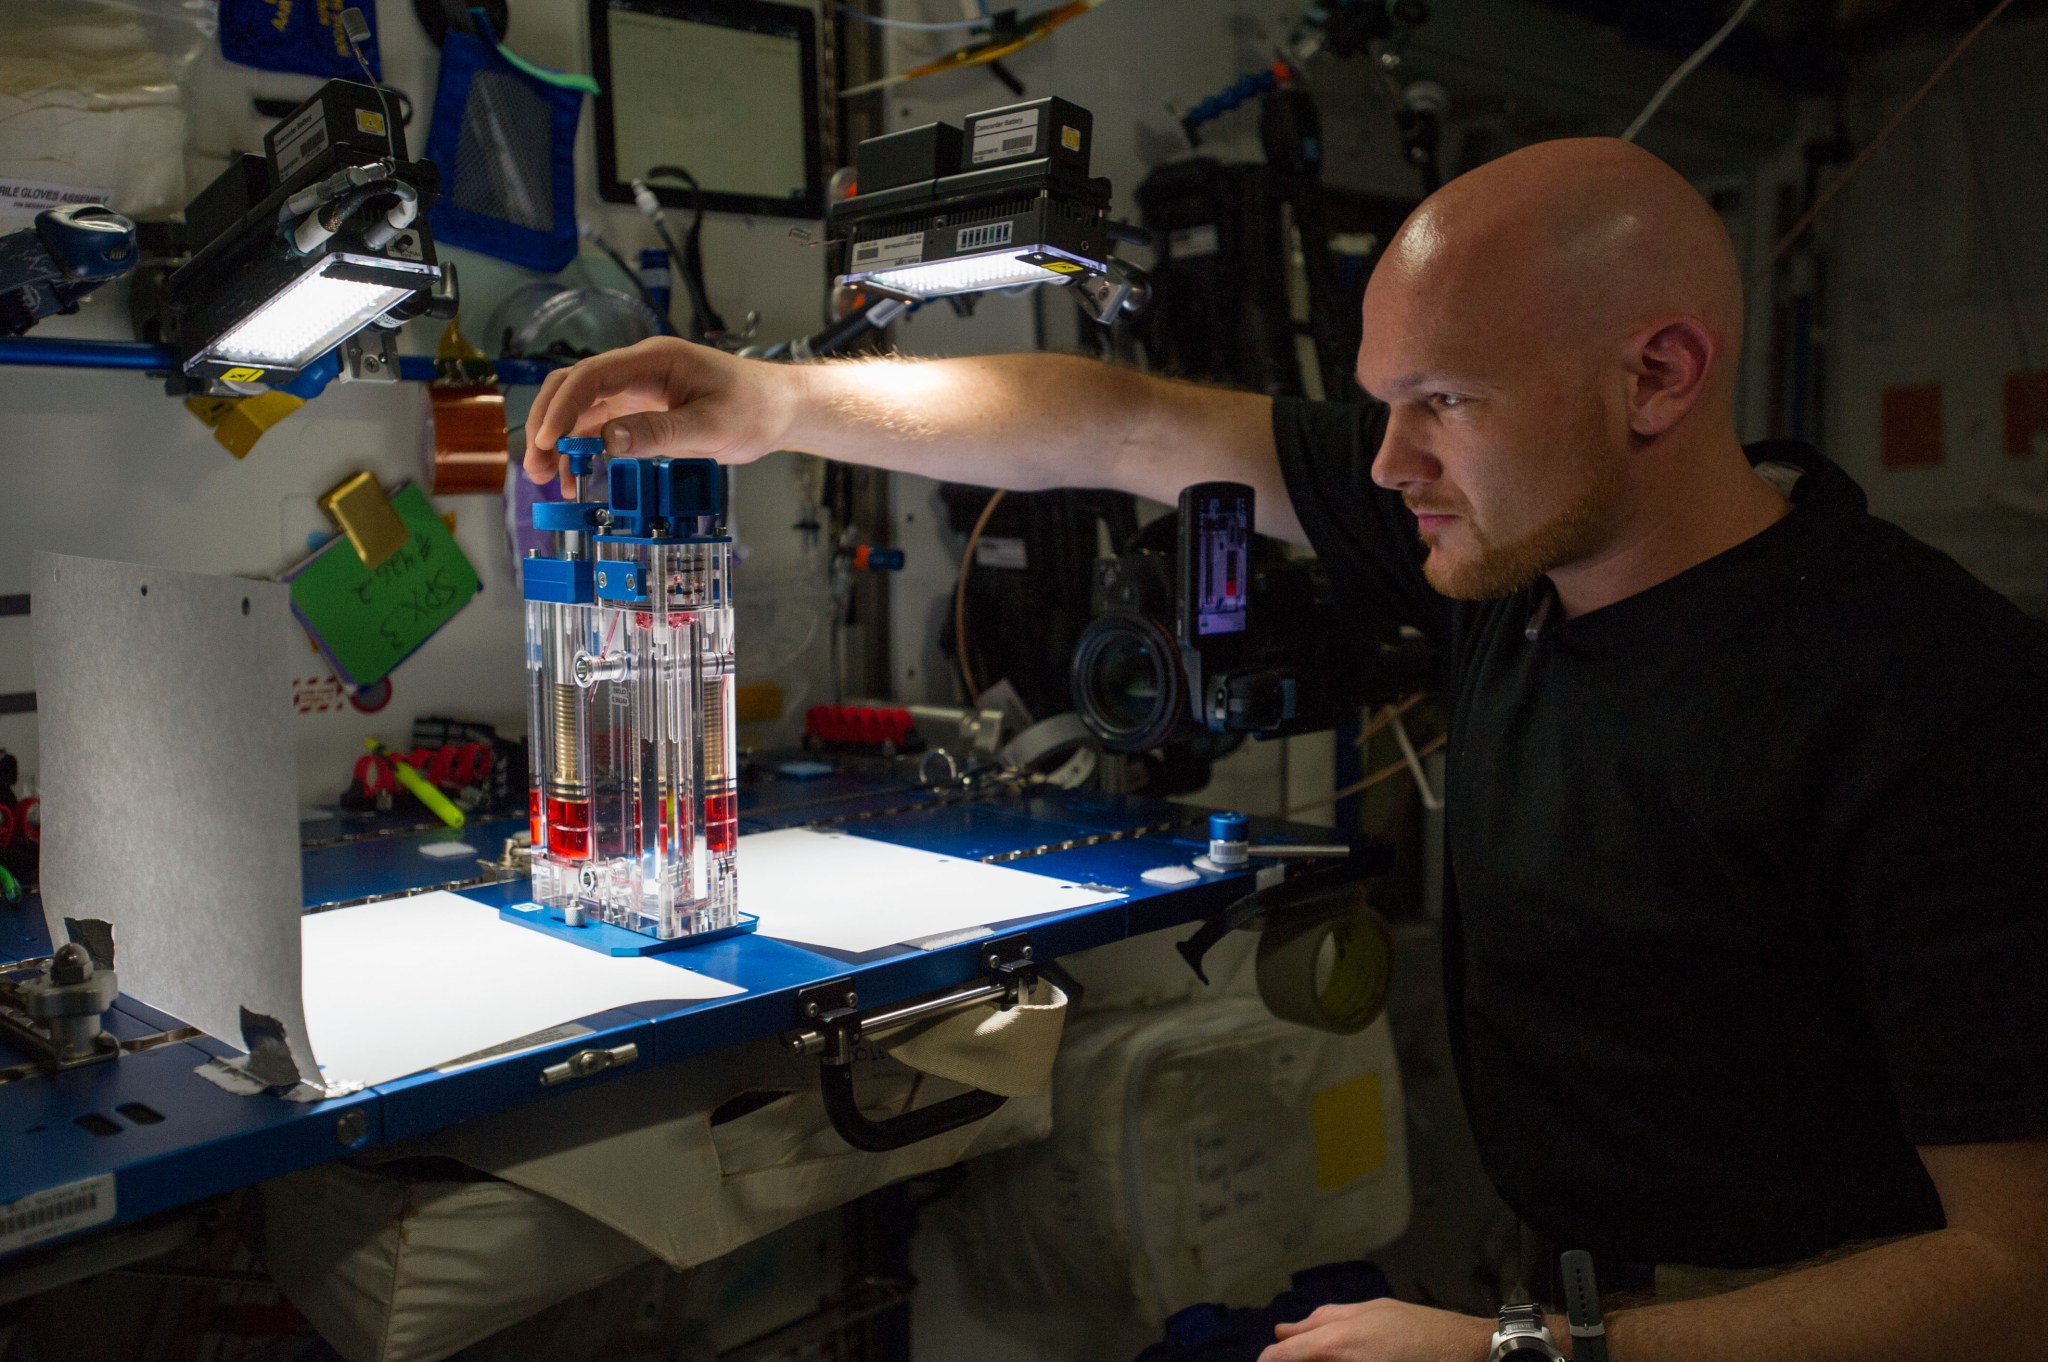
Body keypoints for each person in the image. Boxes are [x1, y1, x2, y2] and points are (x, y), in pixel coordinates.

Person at [523, 138, 2048, 1361]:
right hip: (1571, 1288)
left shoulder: (1930, 695)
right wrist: (780, 400)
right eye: (1384, 405)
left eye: (1442, 404)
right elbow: (1122, 429)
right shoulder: (1517, 546)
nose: (1390, 467)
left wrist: (1528, 1347)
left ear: (1656, 377)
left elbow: (2014, 1275)